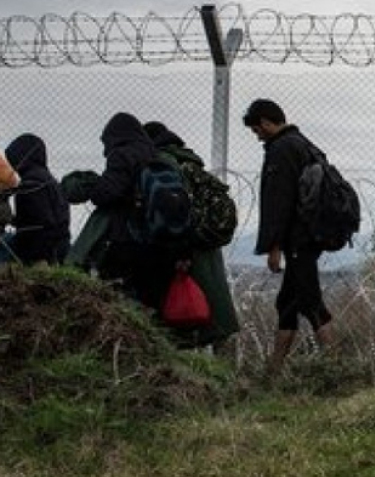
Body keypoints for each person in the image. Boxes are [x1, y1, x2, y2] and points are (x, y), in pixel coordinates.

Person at [243, 99, 335, 376]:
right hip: (312, 234)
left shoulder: (282, 150)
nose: (257, 135)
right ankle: (274, 369)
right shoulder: (304, 144)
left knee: (310, 301)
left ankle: (334, 365)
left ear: (268, 122)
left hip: (298, 239)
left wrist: (274, 247)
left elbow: (279, 202)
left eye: (258, 129)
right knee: (288, 302)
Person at [142, 121, 241, 350]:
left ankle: (186, 379)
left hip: (182, 250)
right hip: (206, 246)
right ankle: (223, 377)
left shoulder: (163, 166)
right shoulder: (192, 165)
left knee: (179, 318)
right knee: (211, 315)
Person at [63, 112, 173, 309]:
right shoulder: (156, 155)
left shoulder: (123, 154)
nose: (105, 150)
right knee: (150, 303)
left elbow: (106, 193)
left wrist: (93, 186)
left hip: (126, 238)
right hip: (157, 241)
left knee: (121, 298)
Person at [1, 133, 70, 266]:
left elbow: (35, 227)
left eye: (13, 160)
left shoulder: (31, 184)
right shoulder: (47, 179)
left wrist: (34, 260)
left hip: (39, 252)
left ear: (22, 157)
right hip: (59, 247)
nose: (14, 167)